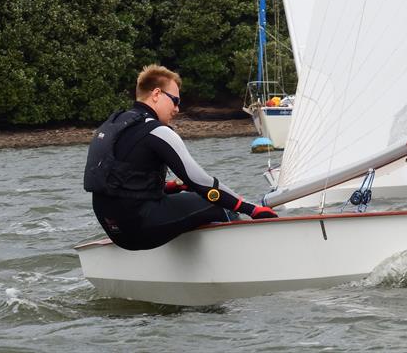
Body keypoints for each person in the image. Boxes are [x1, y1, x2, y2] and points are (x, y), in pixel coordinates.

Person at [84, 64, 277, 251]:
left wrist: (170, 187)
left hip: (115, 231)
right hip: (140, 227)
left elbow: (122, 184)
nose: (177, 108)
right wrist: (250, 208)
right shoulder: (157, 131)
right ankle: (247, 260)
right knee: (219, 205)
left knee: (186, 201)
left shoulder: (113, 126)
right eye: (175, 100)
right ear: (157, 94)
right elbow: (201, 182)